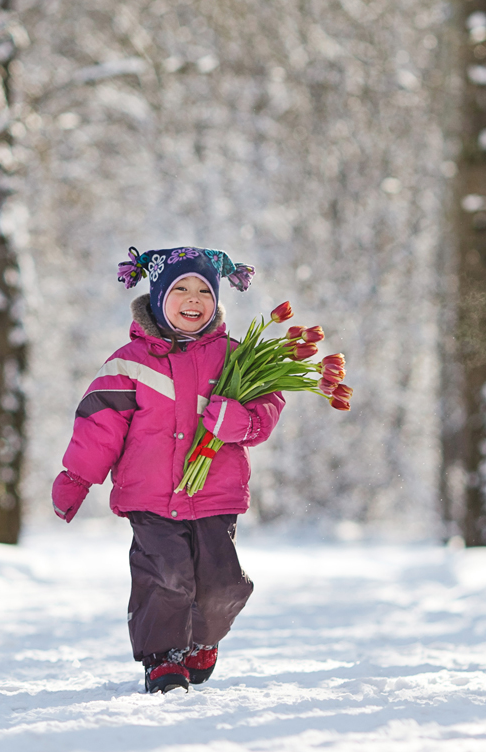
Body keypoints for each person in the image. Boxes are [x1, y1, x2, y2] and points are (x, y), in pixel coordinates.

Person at [51, 246, 285, 694]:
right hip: (151, 496)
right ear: (158, 297)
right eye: (181, 289)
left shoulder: (235, 358)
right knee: (166, 577)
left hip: (215, 494)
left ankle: (202, 639)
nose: (194, 298)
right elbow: (98, 426)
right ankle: (163, 660)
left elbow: (267, 407)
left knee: (220, 586)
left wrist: (239, 421)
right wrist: (77, 478)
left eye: (204, 290)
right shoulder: (129, 363)